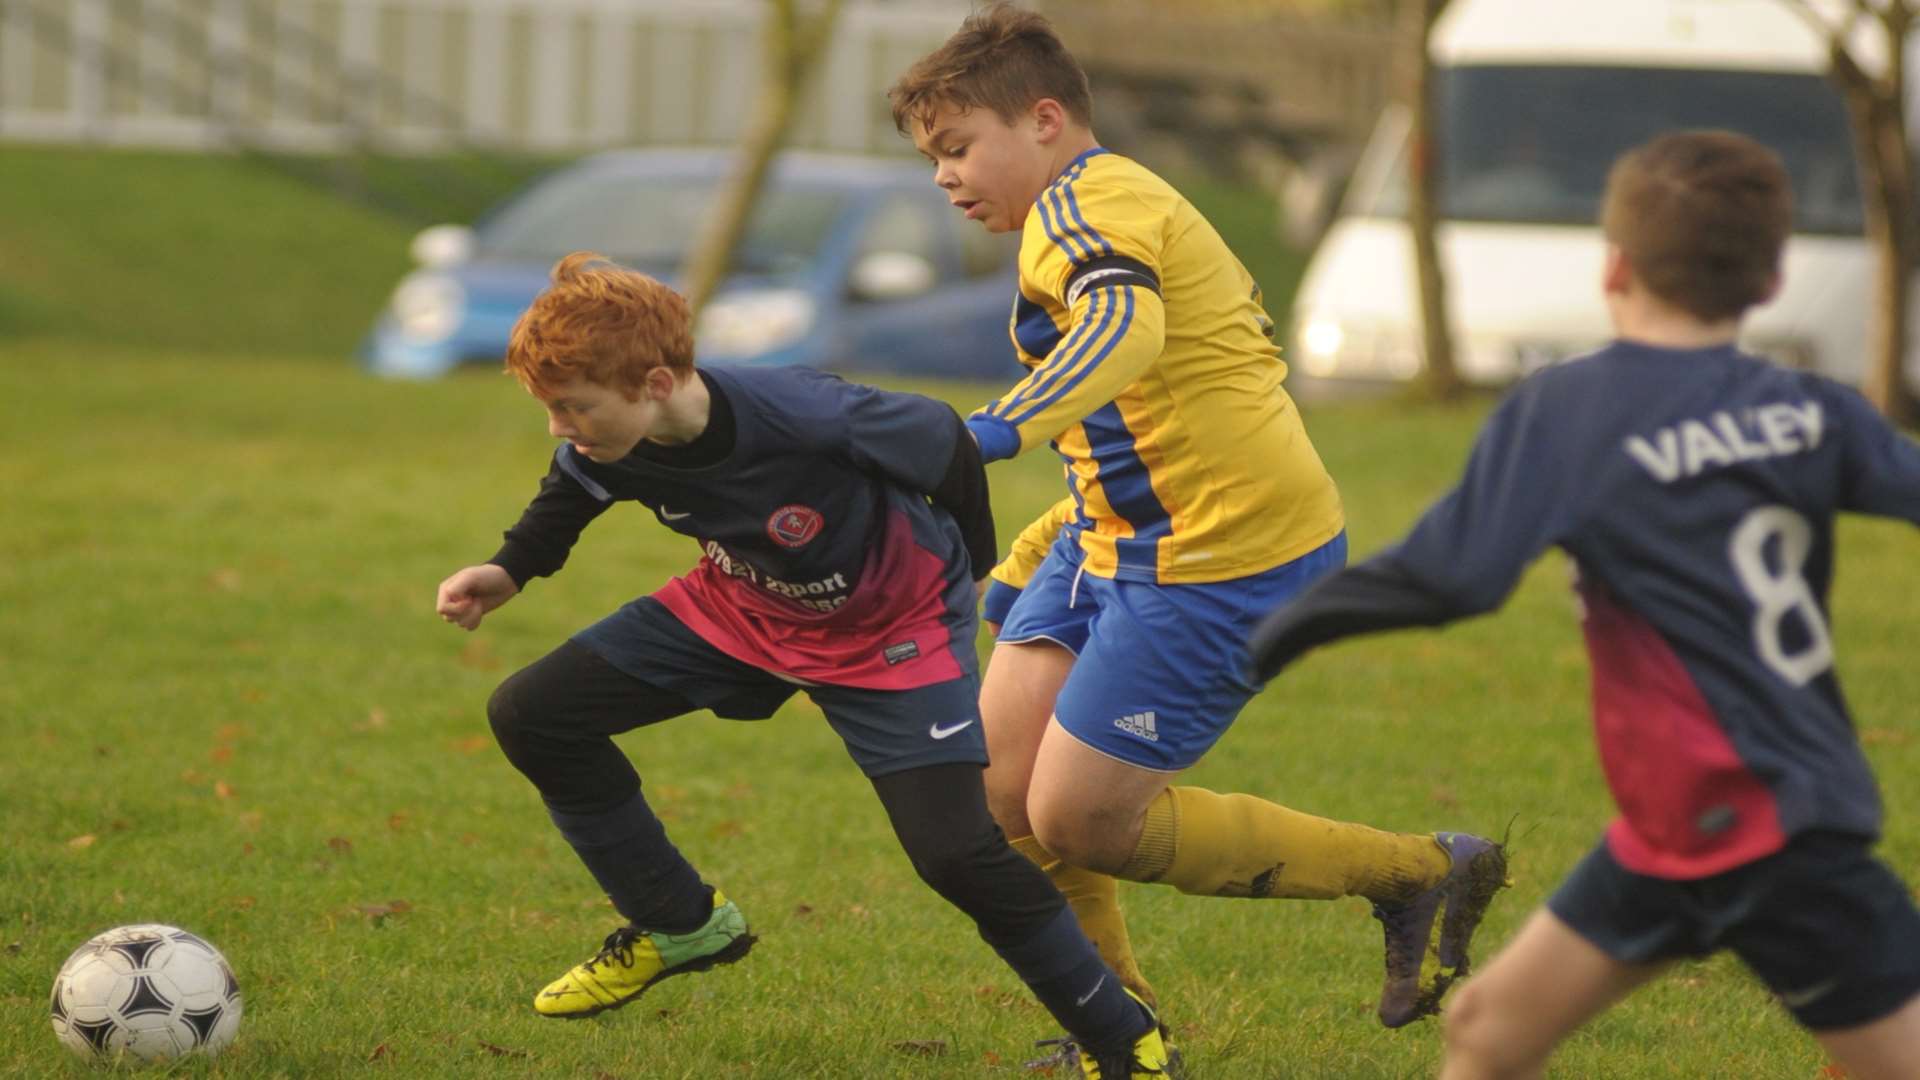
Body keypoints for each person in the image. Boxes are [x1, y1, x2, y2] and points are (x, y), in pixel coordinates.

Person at [886, 1, 1510, 1043]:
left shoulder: (1088, 209)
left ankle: (1418, 872)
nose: (944, 175)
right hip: (1120, 540)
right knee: (1000, 793)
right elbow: (1156, 415)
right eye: (932, 158)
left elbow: (1127, 329)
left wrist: (990, 434)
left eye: (957, 147)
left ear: (1044, 119)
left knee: (1081, 821)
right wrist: (1047, 541)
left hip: (1228, 557)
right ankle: (1118, 1021)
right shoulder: (1093, 207)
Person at [1249, 130, 1920, 1080]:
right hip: (1676, 832)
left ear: (1614, 265)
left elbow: (1455, 575)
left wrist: (1283, 628)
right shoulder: (1813, 408)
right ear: (1769, 280)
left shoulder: (1573, 409)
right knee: (1486, 1029)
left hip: (1765, 832)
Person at [434, 251, 1170, 1077]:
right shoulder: (615, 442)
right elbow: (572, 489)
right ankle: (678, 921)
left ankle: (1125, 1040)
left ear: (653, 382)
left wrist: (965, 575)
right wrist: (507, 571)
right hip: (741, 609)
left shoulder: (808, 414)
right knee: (533, 714)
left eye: (573, 407)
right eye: (552, 409)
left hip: (892, 630)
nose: (560, 425)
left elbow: (944, 444)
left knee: (955, 854)